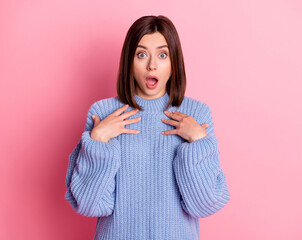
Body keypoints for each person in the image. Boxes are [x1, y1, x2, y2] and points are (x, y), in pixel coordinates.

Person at [65, 15, 230, 240]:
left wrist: (199, 142)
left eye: (162, 55)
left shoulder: (197, 115)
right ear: (129, 61)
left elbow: (204, 205)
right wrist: (99, 139)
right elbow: (88, 204)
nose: (152, 65)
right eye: (141, 54)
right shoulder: (103, 113)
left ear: (174, 62)